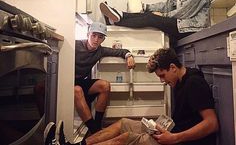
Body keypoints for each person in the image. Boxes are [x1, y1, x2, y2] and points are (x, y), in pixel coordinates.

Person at [44, 48, 218, 145]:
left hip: (180, 140)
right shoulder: (179, 81)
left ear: (173, 67)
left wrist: (174, 137)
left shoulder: (194, 83)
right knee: (122, 123)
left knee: (124, 139)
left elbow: (211, 124)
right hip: (172, 133)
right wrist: (161, 126)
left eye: (162, 76)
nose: (162, 81)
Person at [74, 22, 135, 134]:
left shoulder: (100, 51)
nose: (96, 40)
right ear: (88, 34)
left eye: (100, 37)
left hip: (81, 82)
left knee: (105, 85)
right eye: (94, 35)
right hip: (66, 81)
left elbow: (120, 51)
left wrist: (129, 56)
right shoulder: (75, 45)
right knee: (77, 89)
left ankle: (97, 124)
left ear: (103, 39)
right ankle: (94, 130)